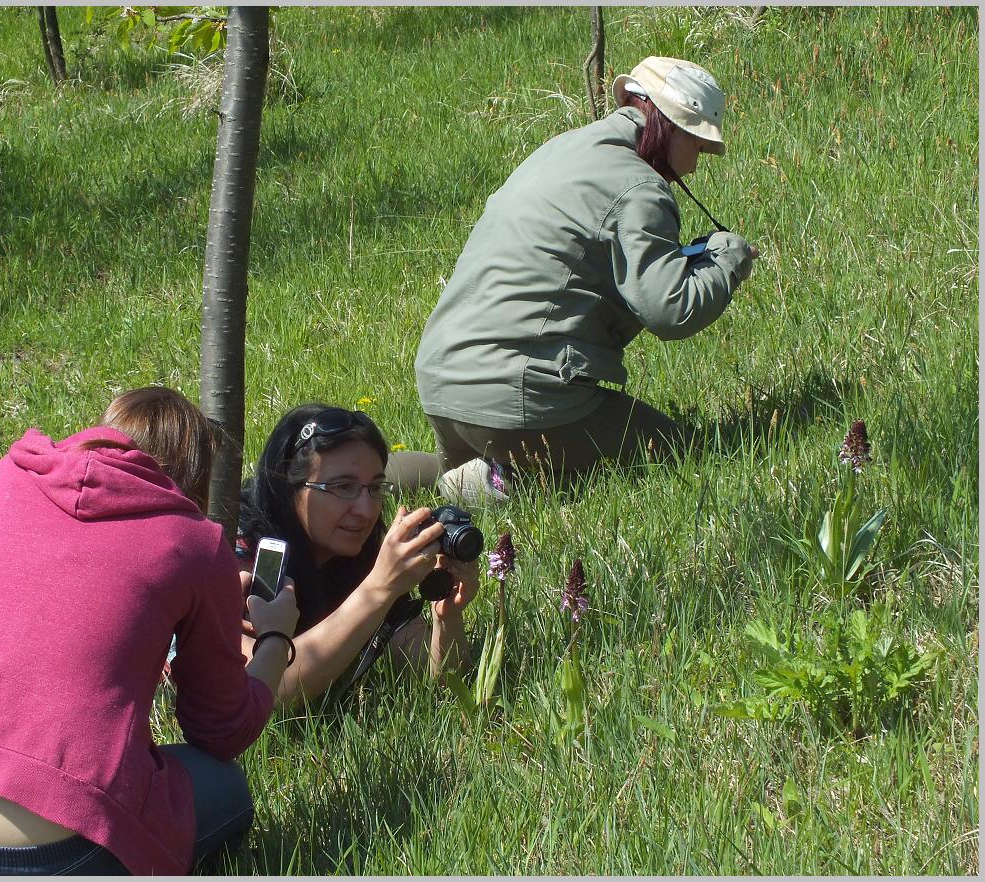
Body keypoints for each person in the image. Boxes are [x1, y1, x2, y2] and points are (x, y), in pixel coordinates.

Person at [0, 386, 300, 875]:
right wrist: (275, 637)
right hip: (61, 848)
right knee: (227, 791)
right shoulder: (196, 544)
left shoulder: (9, 475)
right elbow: (222, 732)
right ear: (196, 476)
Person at [415, 56, 761, 503]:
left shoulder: (560, 149)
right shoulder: (639, 188)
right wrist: (729, 258)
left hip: (442, 381)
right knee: (681, 453)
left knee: (456, 468)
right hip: (517, 398)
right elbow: (672, 311)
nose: (695, 165)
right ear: (672, 127)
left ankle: (361, 477)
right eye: (698, 145)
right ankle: (496, 484)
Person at [237, 404, 481, 706]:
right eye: (343, 487)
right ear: (289, 488)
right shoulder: (240, 552)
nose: (366, 511)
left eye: (375, 487)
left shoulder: (357, 555)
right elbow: (267, 694)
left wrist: (447, 618)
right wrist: (379, 587)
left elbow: (441, 684)